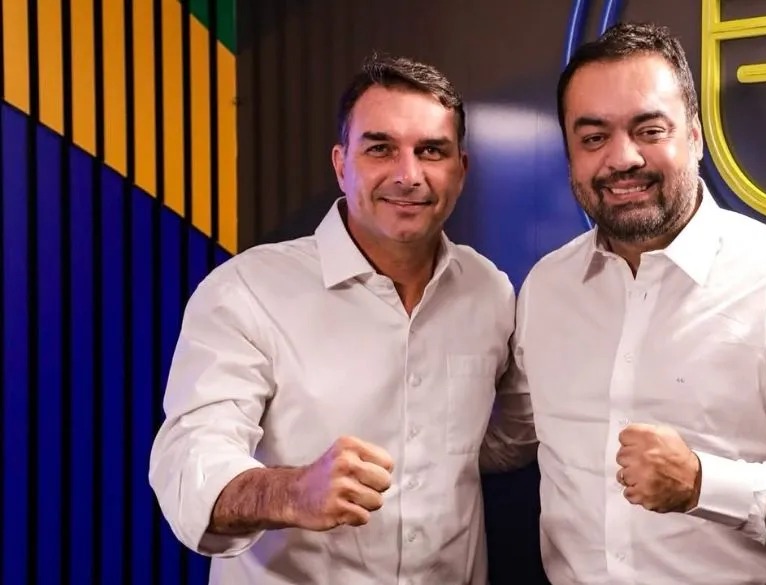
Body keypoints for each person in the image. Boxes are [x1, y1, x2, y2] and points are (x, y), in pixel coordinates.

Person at [501, 22, 766, 584]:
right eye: (593, 138)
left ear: (696, 138)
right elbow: (511, 435)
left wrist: (704, 483)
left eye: (649, 130)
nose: (621, 158)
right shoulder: (547, 287)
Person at [149, 53, 526, 584]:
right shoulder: (246, 291)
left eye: (431, 151)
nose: (408, 175)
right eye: (380, 148)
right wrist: (293, 492)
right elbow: (189, 461)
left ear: (460, 170)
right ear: (340, 164)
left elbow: (500, 437)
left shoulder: (489, 290)